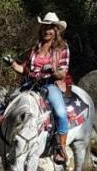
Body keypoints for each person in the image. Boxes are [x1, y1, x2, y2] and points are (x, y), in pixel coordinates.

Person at [11, 11, 71, 163]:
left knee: (60, 112)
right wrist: (11, 63)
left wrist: (53, 70)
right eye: (44, 27)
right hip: (31, 84)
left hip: (49, 84)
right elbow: (24, 70)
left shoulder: (62, 49)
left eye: (50, 28)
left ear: (56, 30)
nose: (46, 30)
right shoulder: (35, 48)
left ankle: (61, 148)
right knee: (9, 104)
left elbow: (62, 73)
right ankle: (6, 139)